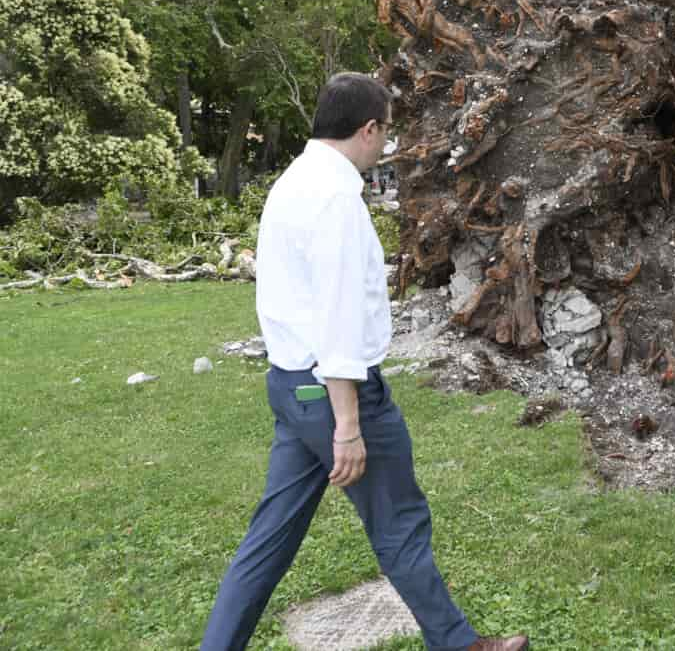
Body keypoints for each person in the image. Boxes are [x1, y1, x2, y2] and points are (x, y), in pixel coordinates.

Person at [202, 73, 528, 651]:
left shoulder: (291, 183)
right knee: (399, 523)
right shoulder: (335, 201)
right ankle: (460, 645)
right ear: (368, 128)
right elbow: (337, 316)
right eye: (386, 132)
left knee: (269, 540)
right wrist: (348, 426)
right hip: (333, 396)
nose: (386, 144)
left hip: (292, 387)